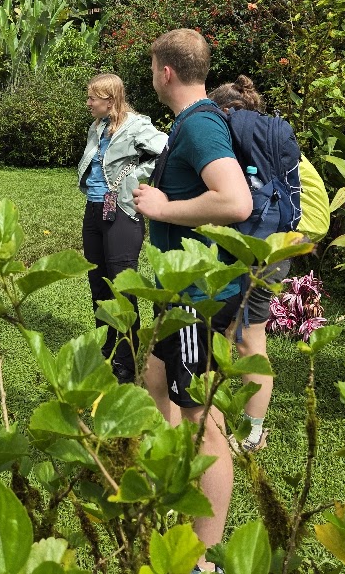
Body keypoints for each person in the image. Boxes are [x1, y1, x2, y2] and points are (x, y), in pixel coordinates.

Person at [132, 30, 252, 569]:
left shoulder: (201, 122)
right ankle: (176, 486)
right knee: (157, 381)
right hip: (178, 288)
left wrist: (161, 208)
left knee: (204, 420)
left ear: (166, 72)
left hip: (197, 295)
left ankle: (202, 558)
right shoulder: (193, 121)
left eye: (153, 67)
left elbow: (235, 200)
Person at [209, 75, 330, 452]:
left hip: (254, 249)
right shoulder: (282, 145)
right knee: (242, 338)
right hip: (277, 250)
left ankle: (242, 433)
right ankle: (240, 428)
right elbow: (317, 214)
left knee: (237, 338)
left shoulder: (233, 142)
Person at [78, 74, 167, 383]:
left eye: (93, 98)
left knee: (121, 285)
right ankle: (108, 344)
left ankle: (127, 359)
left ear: (110, 100)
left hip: (122, 212)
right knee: (98, 282)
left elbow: (165, 151)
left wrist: (133, 177)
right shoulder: (98, 126)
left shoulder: (137, 125)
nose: (88, 103)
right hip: (94, 208)